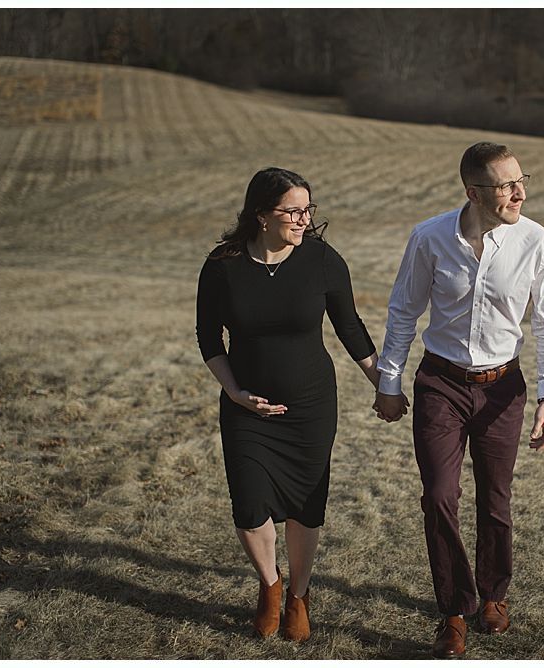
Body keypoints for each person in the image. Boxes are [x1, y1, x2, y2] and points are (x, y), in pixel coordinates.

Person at [374, 142, 544, 658]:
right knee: (440, 496)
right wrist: (388, 383)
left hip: (503, 387)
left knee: (495, 499)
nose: (519, 192)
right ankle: (453, 611)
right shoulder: (430, 237)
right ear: (473, 192)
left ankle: (495, 596)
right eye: (506, 185)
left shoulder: (537, 242)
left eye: (520, 180)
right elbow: (403, 311)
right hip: (440, 383)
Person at [195, 167, 397, 642]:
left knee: (307, 507)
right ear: (262, 214)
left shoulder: (322, 261)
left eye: (308, 209)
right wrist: (234, 392)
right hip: (247, 409)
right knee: (248, 505)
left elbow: (350, 328)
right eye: (293, 210)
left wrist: (382, 383)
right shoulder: (222, 266)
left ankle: (299, 596)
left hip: (310, 407)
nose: (304, 219)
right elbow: (209, 338)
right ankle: (270, 585)